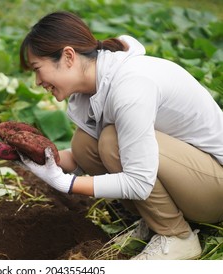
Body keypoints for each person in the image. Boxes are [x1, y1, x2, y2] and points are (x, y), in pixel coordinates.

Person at [18, 11, 223, 260]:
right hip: (191, 178)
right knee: (84, 144)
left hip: (214, 189)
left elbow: (139, 181)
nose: (38, 81)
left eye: (38, 69)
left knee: (112, 142)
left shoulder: (130, 86)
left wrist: (66, 184)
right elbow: (83, 158)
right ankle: (154, 222)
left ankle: (178, 237)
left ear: (69, 56)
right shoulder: (95, 86)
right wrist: (36, 158)